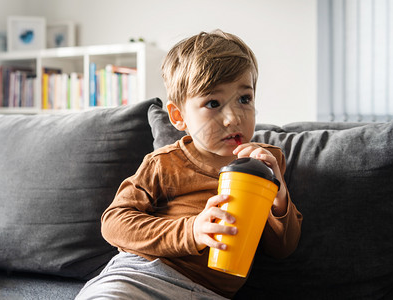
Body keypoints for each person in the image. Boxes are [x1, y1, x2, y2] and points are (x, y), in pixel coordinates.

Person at [76, 29, 303, 300]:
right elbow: (114, 223)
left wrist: (279, 199)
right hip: (143, 275)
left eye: (245, 99)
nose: (233, 118)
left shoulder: (266, 162)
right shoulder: (165, 163)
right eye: (213, 103)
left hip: (210, 293)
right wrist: (192, 230)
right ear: (178, 116)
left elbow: (282, 248)